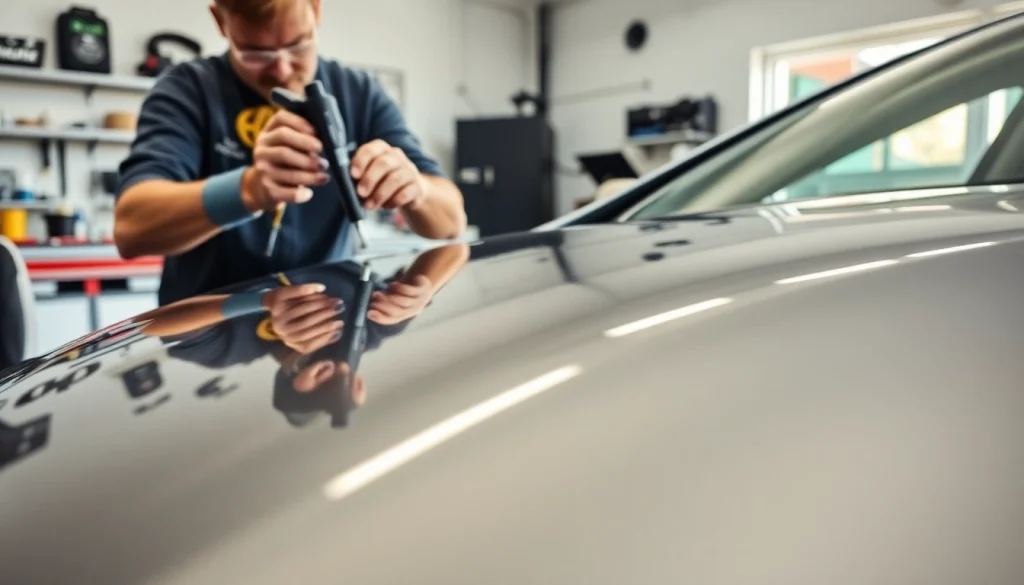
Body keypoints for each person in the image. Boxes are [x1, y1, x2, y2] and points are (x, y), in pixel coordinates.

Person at [113, 0, 467, 307]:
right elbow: (132, 229)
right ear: (221, 22)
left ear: (316, 8)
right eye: (255, 52)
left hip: (327, 329)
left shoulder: (357, 93)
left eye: (298, 46)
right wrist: (249, 190)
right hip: (211, 360)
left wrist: (415, 189)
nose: (281, 70)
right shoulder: (188, 91)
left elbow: (451, 222)